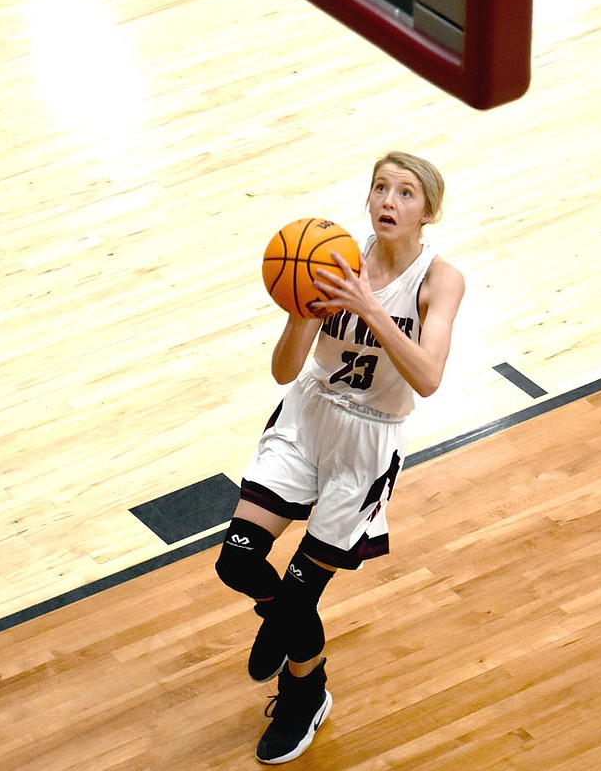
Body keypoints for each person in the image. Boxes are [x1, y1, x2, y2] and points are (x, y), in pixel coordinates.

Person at [215, 151, 465, 765]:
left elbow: (429, 377)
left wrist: (369, 307)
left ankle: (306, 693)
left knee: (303, 598)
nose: (388, 201)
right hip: (308, 417)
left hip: (368, 440)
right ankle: (283, 626)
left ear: (427, 211)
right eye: (381, 188)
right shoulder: (328, 258)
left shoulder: (440, 280)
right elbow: (282, 371)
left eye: (406, 193)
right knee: (238, 563)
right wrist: (305, 312)